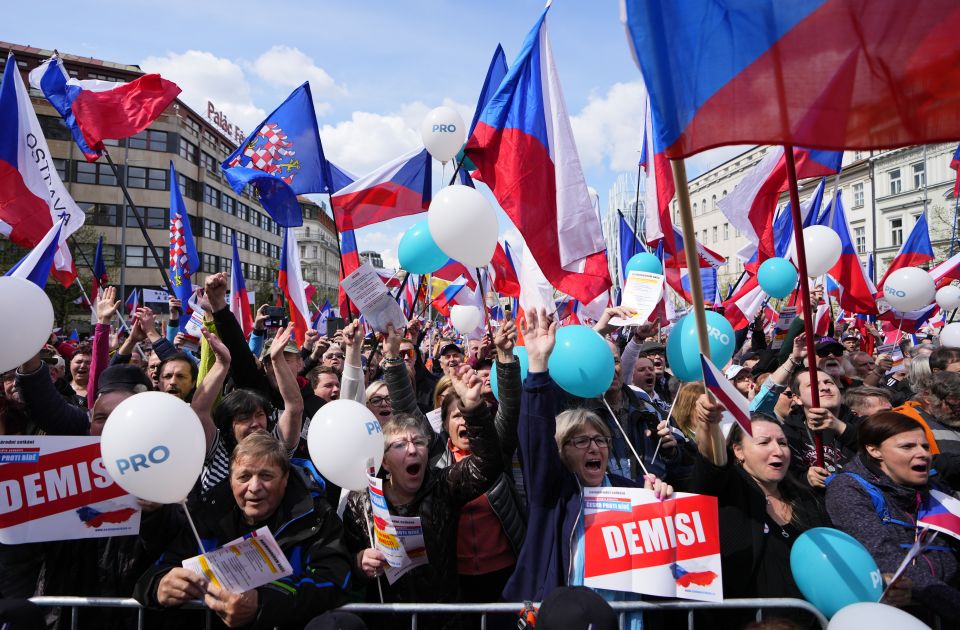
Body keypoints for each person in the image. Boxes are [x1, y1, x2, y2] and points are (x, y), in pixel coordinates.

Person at [502, 309, 673, 628]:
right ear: (563, 452)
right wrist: (537, 368)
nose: (594, 447)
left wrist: (659, 502)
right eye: (581, 441)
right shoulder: (553, 495)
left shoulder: (634, 492)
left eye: (601, 440)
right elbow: (535, 443)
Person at [340, 366, 502, 629]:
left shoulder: (443, 487)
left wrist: (474, 408)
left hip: (446, 621)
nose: (412, 450)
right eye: (400, 445)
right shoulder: (363, 501)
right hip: (387, 621)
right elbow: (341, 559)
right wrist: (359, 562)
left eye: (419, 442)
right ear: (385, 461)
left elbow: (488, 465)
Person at [135, 433, 352, 629]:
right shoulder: (208, 515)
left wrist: (262, 603)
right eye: (244, 477)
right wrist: (159, 585)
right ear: (230, 481)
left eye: (266, 476)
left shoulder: (316, 516)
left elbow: (333, 581)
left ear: (285, 479)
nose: (254, 487)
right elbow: (154, 573)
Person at [691, 396, 831, 628]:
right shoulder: (728, 491)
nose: (778, 451)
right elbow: (712, 465)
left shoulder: (806, 498)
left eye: (783, 443)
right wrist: (708, 424)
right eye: (764, 442)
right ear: (738, 451)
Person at [825, 411, 960, 624]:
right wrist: (952, 603)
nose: (923, 454)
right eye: (907, 447)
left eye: (925, 446)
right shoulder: (848, 489)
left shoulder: (933, 488)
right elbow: (884, 557)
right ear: (874, 450)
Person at [194, 324, 304, 493]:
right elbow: (199, 411)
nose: (255, 424)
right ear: (229, 425)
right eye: (244, 418)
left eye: (259, 415)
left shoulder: (276, 446)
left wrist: (277, 360)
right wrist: (222, 364)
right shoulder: (217, 450)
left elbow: (294, 407)